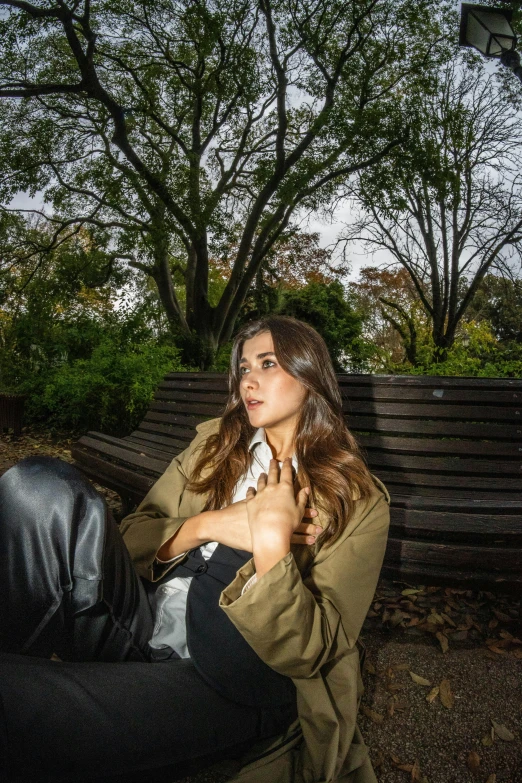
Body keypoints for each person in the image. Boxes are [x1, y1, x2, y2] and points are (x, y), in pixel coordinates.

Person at [0, 315, 390, 783]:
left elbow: (310, 652)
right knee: (38, 486)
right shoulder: (216, 445)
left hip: (225, 675)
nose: (249, 379)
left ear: (310, 376)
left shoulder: (358, 499)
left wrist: (270, 549)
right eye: (244, 367)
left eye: (268, 364)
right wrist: (210, 525)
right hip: (142, 620)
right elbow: (135, 535)